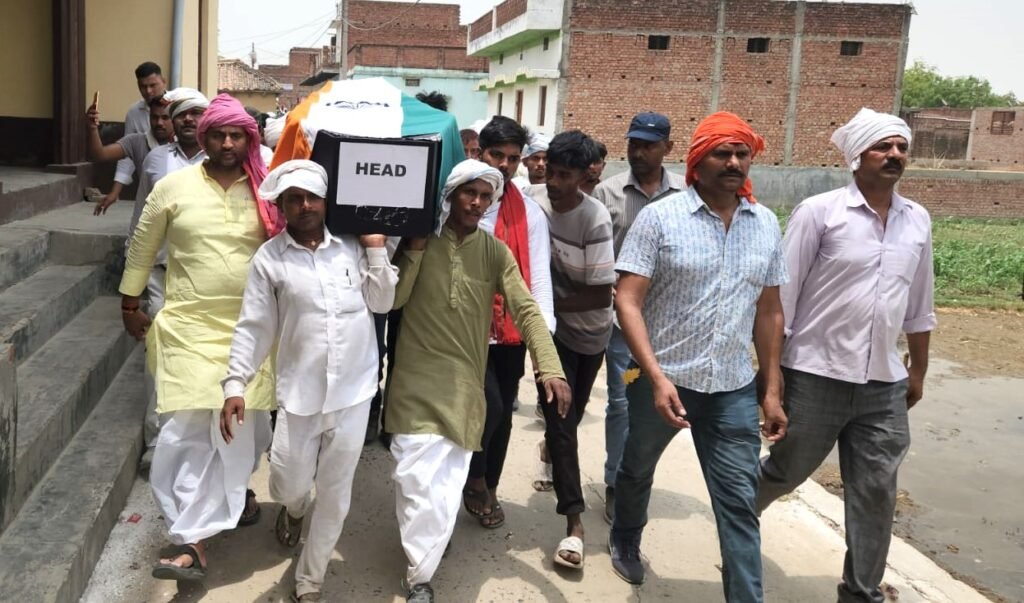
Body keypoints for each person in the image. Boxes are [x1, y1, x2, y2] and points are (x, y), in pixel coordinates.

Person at [757, 108, 936, 603]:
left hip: (883, 381)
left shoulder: (916, 220)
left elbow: (919, 305)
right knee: (784, 471)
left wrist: (917, 370)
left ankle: (861, 592)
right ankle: (735, 524)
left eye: (901, 146)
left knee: (877, 491)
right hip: (815, 373)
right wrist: (771, 383)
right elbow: (779, 305)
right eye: (884, 146)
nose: (895, 154)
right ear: (857, 156)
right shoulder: (819, 213)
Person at [608, 112, 788, 603]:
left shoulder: (766, 224)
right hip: (662, 380)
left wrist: (770, 390)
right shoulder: (661, 218)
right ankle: (626, 533)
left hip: (731, 387)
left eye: (742, 153)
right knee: (637, 466)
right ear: (696, 161)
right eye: (722, 153)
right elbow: (628, 298)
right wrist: (655, 375)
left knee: (738, 504)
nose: (734, 162)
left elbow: (769, 312)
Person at [385, 160, 570, 603]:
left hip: (464, 382)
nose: (477, 202)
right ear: (450, 196)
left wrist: (550, 365)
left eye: (486, 196)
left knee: (447, 480)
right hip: (413, 377)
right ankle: (426, 552)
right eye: (469, 193)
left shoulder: (493, 251)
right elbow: (393, 300)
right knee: (411, 476)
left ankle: (420, 578)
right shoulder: (419, 240)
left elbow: (525, 308)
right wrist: (409, 250)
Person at [118, 93, 283, 581]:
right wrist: (130, 304)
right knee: (184, 431)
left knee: (243, 434)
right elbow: (142, 247)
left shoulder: (267, 189)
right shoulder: (172, 187)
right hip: (187, 326)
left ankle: (222, 506)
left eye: (237, 135)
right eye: (218, 134)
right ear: (202, 136)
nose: (228, 143)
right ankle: (190, 537)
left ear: (249, 138)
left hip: (251, 330)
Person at [222, 160, 397, 602]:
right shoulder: (270, 260)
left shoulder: (354, 247)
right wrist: (235, 384)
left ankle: (310, 579)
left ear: (325, 201)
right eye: (294, 199)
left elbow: (382, 303)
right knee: (287, 483)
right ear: (281, 205)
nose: (304, 206)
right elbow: (254, 325)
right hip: (300, 394)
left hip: (354, 392)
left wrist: (377, 249)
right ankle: (294, 509)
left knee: (336, 493)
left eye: (312, 197)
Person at [524, 130, 614, 570]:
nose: (554, 182)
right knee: (562, 423)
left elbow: (599, 295)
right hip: (552, 332)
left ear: (584, 176)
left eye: (565, 175)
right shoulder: (533, 202)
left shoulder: (593, 218)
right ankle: (575, 526)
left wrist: (538, 300)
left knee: (570, 420)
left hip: (590, 332)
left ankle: (551, 454)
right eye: (550, 172)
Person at [463, 116, 556, 530]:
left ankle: (488, 483)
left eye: (512, 158)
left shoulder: (529, 213)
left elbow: (537, 277)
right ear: (479, 153)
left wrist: (542, 341)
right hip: (460, 328)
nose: (503, 165)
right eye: (495, 155)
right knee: (487, 407)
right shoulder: (458, 202)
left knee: (500, 415)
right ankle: (471, 480)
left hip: (508, 333)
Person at [592, 111, 685, 523]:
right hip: (622, 328)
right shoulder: (608, 195)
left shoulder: (687, 194)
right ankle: (617, 482)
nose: (639, 152)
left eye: (648, 145)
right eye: (633, 144)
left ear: (668, 147)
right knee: (622, 401)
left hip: (671, 326)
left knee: (660, 406)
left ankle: (635, 475)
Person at [86, 95, 173, 215]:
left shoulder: (185, 145)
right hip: (147, 216)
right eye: (154, 117)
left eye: (165, 118)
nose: (159, 123)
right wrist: (92, 128)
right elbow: (100, 155)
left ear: (174, 118)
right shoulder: (137, 142)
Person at [100, 62, 168, 212]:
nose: (148, 91)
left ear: (164, 82)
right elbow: (127, 154)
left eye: (153, 85)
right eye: (143, 86)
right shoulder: (134, 113)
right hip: (149, 181)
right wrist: (115, 192)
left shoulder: (178, 107)